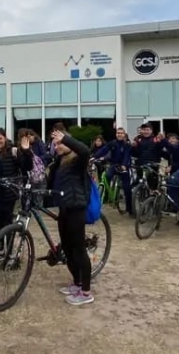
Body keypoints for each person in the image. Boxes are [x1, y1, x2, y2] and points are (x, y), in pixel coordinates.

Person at [48, 128, 94, 305]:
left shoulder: (77, 160)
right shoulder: (60, 161)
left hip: (76, 208)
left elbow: (85, 150)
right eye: (56, 144)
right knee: (67, 248)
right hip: (64, 209)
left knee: (79, 249)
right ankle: (77, 282)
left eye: (60, 144)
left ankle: (86, 292)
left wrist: (66, 138)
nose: (57, 146)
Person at [101, 127, 133, 216]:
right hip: (114, 165)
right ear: (116, 134)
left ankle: (130, 209)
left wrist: (124, 165)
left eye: (121, 133)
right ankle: (107, 197)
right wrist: (93, 157)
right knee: (106, 176)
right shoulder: (112, 143)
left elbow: (127, 156)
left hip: (124, 167)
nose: (119, 134)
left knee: (127, 188)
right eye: (118, 133)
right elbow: (103, 150)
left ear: (124, 134)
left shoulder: (127, 145)